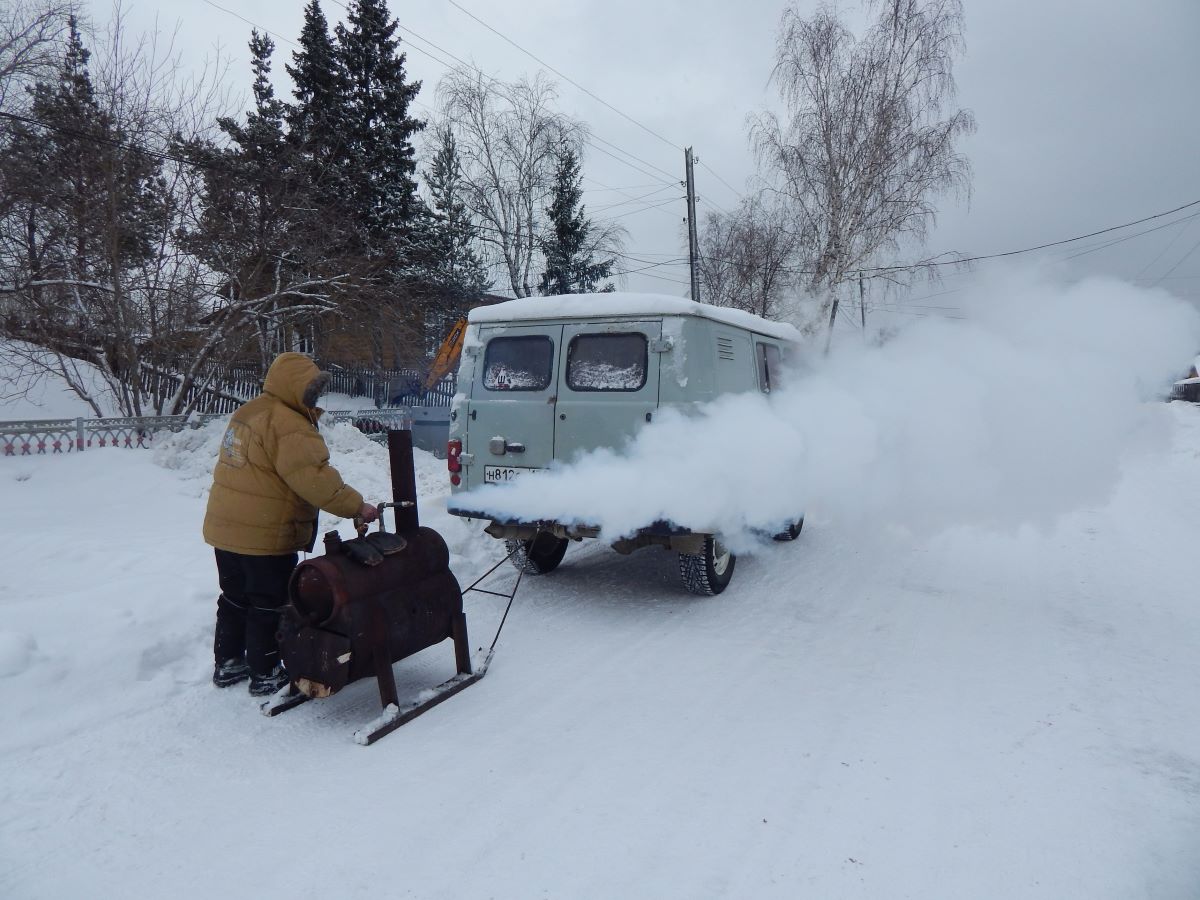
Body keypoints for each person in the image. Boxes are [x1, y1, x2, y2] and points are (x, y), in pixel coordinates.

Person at [202, 352, 378, 696]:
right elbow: (315, 481)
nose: (314, 396)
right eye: (310, 389)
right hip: (264, 533)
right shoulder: (289, 425)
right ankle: (265, 672)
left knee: (235, 597)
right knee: (268, 602)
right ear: (292, 386)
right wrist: (357, 506)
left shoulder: (249, 411)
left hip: (226, 529)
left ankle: (228, 663)